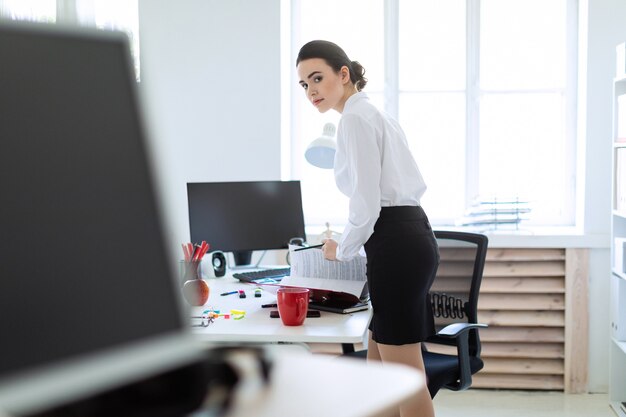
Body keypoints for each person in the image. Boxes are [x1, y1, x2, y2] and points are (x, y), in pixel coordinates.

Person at [296, 40, 439, 417]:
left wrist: (340, 250)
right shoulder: (374, 114)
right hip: (408, 237)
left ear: (343, 75)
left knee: (403, 378)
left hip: (396, 243)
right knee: (379, 379)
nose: (311, 90)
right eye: (304, 84)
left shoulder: (356, 119)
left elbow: (365, 201)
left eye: (317, 78)